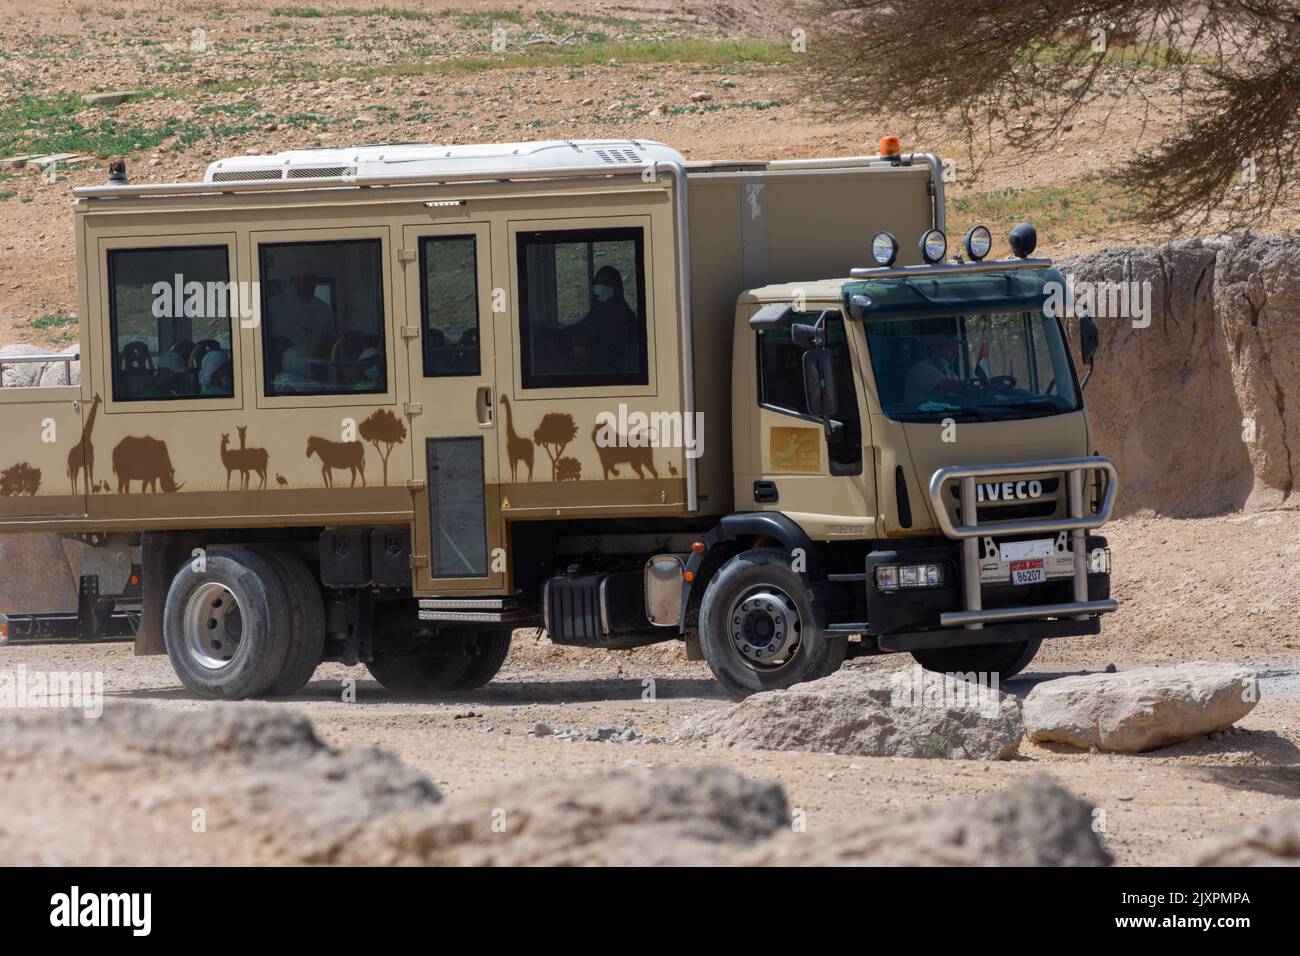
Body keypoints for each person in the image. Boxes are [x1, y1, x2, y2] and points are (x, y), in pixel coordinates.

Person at [569, 265, 639, 372]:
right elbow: (583, 327)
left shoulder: (626, 317)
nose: (601, 287)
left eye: (606, 284)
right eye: (599, 283)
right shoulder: (596, 310)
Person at [265, 255, 335, 353]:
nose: (312, 284)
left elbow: (330, 340)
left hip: (313, 363)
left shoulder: (323, 308)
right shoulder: (272, 305)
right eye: (307, 280)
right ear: (294, 280)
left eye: (314, 280)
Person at [904, 333, 966, 405]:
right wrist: (971, 387)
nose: (955, 351)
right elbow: (950, 386)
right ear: (935, 348)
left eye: (957, 348)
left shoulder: (951, 374)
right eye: (950, 347)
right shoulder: (920, 368)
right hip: (919, 415)